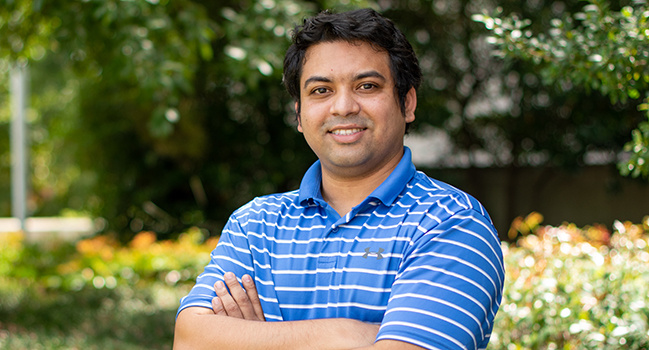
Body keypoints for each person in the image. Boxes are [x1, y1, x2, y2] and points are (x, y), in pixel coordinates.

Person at [174, 8, 504, 350]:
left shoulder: (450, 223)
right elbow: (189, 339)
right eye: (321, 91)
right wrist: (341, 335)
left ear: (407, 103)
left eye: (367, 86)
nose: (343, 107)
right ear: (299, 114)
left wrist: (256, 340)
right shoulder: (255, 223)